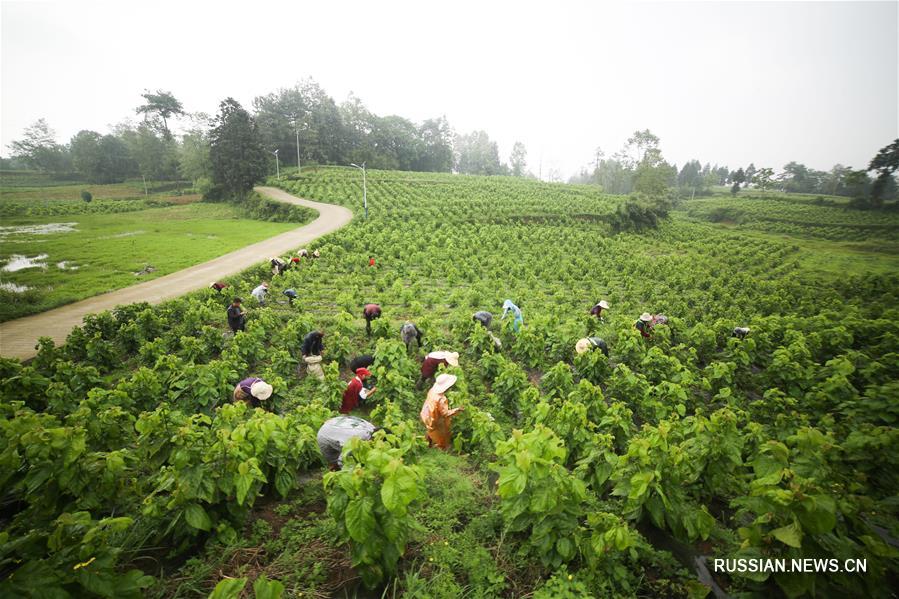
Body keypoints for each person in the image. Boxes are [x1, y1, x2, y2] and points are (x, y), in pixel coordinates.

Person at [420, 374, 463, 450]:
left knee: (430, 429)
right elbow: (445, 413)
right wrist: (457, 410)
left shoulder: (432, 390)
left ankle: (428, 442)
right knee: (441, 435)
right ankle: (442, 448)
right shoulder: (441, 399)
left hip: (426, 414)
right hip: (435, 419)